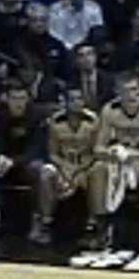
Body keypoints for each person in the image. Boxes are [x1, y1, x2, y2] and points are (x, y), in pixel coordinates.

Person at [92, 73, 139, 251]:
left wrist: (136, 156)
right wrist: (113, 153)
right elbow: (98, 148)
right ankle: (102, 228)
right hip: (119, 162)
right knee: (98, 168)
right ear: (118, 93)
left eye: (134, 90)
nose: (131, 95)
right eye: (126, 91)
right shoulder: (109, 110)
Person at [0, 81, 52, 241]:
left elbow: (38, 148)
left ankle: (37, 219)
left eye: (22, 98)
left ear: (28, 99)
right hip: (5, 161)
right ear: (7, 99)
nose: (18, 103)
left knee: (37, 169)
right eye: (14, 98)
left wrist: (15, 161)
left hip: (26, 161)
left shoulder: (36, 115)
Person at [42, 87, 102, 245]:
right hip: (63, 165)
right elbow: (52, 154)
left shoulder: (94, 121)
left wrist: (78, 170)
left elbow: (96, 151)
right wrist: (65, 168)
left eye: (79, 99)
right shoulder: (55, 121)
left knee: (98, 171)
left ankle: (93, 225)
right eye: (72, 99)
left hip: (86, 166)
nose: (76, 103)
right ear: (66, 103)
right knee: (46, 173)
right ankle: (46, 223)